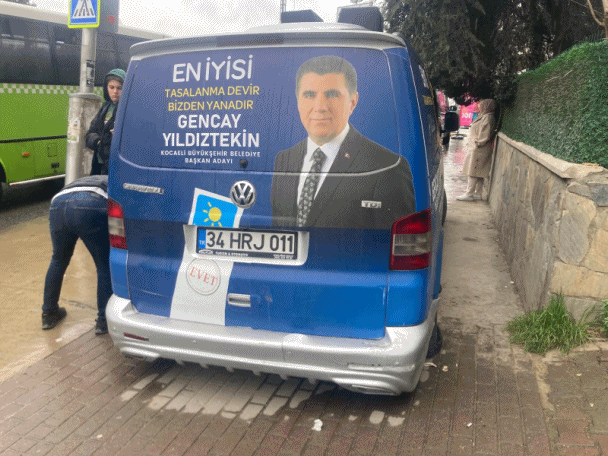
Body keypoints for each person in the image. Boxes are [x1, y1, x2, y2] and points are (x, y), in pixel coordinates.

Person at [271, 55, 415, 229]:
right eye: (309, 95)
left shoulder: (388, 168)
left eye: (332, 94)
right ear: (298, 101)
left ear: (352, 102)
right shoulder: (284, 160)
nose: (320, 107)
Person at [42, 175, 111, 335]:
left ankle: (49, 313)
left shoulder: (95, 178)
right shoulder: (118, 181)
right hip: (90, 203)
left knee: (58, 259)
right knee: (104, 264)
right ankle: (103, 321)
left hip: (58, 203)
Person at [86, 68, 126, 175]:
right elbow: (90, 133)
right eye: (111, 87)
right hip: (99, 164)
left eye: (119, 88)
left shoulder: (128, 109)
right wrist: (99, 142)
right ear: (106, 87)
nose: (115, 91)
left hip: (116, 165)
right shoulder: (105, 107)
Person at [457, 99, 497, 201]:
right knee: (479, 172)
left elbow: (485, 134)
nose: (479, 106)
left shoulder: (488, 117)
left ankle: (469, 194)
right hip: (480, 148)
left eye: (481, 105)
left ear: (487, 106)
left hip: (479, 149)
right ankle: (478, 193)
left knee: (473, 171)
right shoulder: (485, 116)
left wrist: (478, 143)